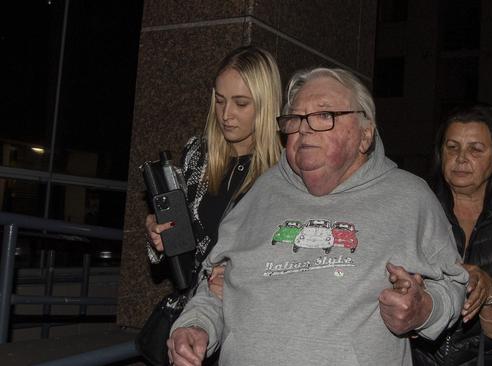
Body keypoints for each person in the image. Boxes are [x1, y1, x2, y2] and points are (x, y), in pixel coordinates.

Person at [166, 67, 468, 366]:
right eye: (295, 119)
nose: (304, 129)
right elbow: (216, 285)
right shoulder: (261, 192)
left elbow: (453, 285)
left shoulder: (410, 198)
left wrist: (424, 309)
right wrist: (196, 324)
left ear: (365, 135)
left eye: (324, 116)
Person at [144, 45, 282, 298]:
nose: (226, 114)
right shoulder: (198, 154)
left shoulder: (285, 168)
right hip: (194, 308)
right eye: (219, 101)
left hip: (251, 311)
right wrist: (160, 234)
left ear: (266, 104)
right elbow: (184, 240)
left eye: (241, 103)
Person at [410, 103, 492, 366]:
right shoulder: (415, 205)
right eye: (452, 147)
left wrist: (489, 291)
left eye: (476, 149)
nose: (461, 158)